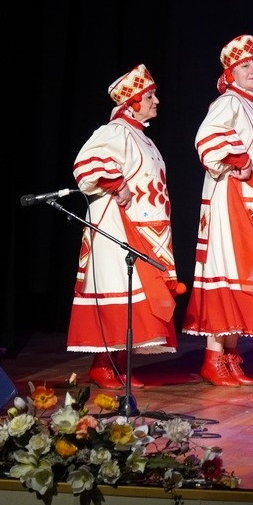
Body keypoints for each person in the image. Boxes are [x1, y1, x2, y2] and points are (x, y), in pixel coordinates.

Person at [185, 34, 253, 387]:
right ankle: (213, 357)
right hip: (233, 203)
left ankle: (230, 355)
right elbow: (207, 138)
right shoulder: (229, 102)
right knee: (229, 272)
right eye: (244, 65)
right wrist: (239, 160)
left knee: (248, 277)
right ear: (230, 73)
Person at [68, 64, 181, 390]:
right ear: (132, 102)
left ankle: (117, 362)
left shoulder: (140, 137)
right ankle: (102, 364)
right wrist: (115, 182)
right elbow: (85, 163)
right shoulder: (115, 132)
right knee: (117, 286)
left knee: (136, 293)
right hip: (117, 225)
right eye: (150, 96)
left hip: (144, 227)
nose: (156, 101)